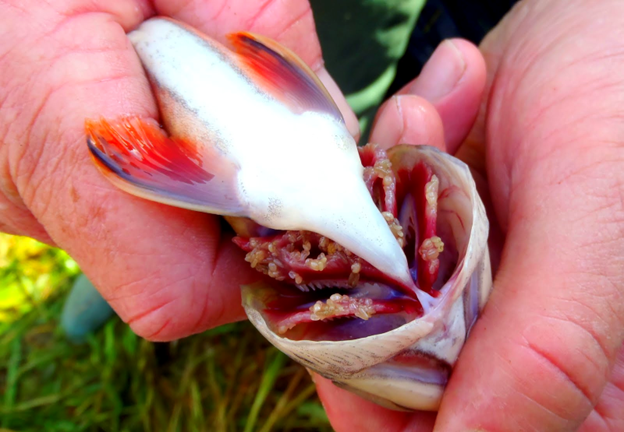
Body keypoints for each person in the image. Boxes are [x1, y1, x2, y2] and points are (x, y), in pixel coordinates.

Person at [1, 0, 622, 430]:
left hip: (329, 89)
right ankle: (101, 260)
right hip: (284, 90)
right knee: (138, 240)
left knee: (153, 253)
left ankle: (112, 256)